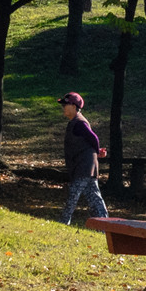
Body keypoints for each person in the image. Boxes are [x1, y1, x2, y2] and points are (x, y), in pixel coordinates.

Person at [59, 91, 109, 224]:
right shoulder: (75, 122)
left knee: (73, 195)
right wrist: (97, 151)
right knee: (95, 198)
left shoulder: (79, 123)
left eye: (66, 105)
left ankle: (64, 222)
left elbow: (94, 137)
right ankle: (104, 225)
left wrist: (97, 151)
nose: (63, 107)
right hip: (87, 167)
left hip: (84, 167)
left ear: (74, 107)